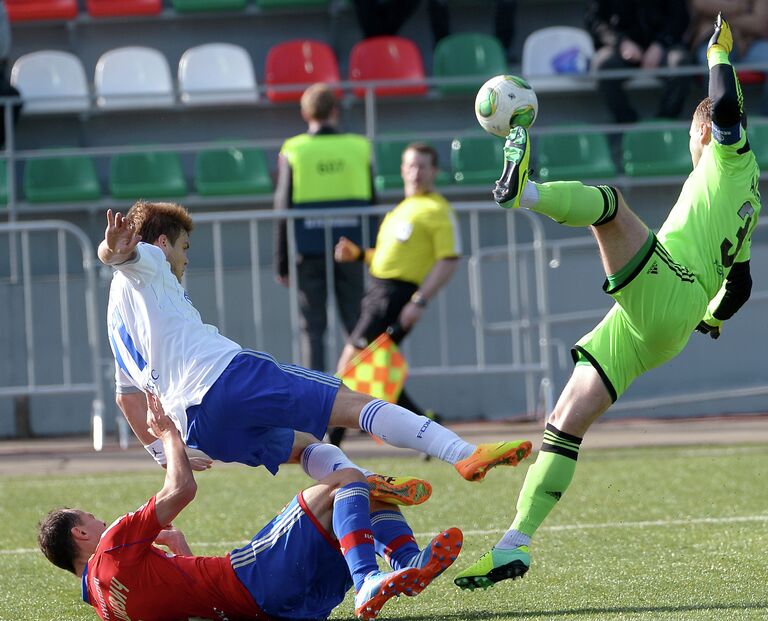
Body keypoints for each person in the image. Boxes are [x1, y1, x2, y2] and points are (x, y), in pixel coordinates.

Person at [454, 14, 760, 589]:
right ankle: (513, 543)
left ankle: (527, 191)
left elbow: (724, 109)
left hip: (671, 289)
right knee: (563, 423)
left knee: (611, 204)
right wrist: (711, 320)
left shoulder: (729, 158)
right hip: (661, 321)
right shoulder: (750, 204)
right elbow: (739, 285)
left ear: (697, 137)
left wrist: (719, 52)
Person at [99, 201, 532, 492]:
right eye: (184, 247)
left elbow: (127, 400)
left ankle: (365, 488)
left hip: (198, 428)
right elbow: (117, 255)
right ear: (161, 244)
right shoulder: (150, 261)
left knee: (307, 447)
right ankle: (464, 453)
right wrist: (112, 249)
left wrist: (162, 452)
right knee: (353, 401)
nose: (185, 259)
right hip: (226, 376)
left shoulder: (117, 318)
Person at [37, 394, 463, 620]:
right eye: (91, 517)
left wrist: (182, 554)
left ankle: (407, 564)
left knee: (352, 507)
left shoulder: (110, 610)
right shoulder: (111, 547)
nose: (101, 520)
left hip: (280, 608)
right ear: (81, 534)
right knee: (349, 481)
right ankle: (379, 572)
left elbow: (194, 608)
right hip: (252, 577)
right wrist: (168, 436)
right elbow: (182, 489)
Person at [332, 142, 459, 447]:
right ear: (402, 169)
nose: (415, 172)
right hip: (377, 291)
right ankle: (428, 425)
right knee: (375, 369)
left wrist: (419, 300)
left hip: (395, 296)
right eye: (410, 165)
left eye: (422, 166)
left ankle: (330, 438)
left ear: (434, 171)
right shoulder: (402, 208)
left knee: (351, 364)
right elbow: (391, 256)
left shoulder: (436, 209)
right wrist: (360, 254)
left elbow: (450, 259)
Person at [274, 83, 372, 373]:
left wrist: (281, 261)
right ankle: (364, 403)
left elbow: (282, 206)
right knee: (358, 326)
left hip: (309, 249)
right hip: (352, 249)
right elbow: (373, 202)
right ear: (334, 110)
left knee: (312, 329)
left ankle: (317, 403)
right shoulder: (360, 146)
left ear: (305, 113)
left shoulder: (294, 149)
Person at [585, 0, 692, 123]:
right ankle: (628, 126)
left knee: (681, 63)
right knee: (603, 66)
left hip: (663, 47)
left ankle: (664, 125)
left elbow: (680, 17)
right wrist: (620, 42)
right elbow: (594, 19)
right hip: (620, 49)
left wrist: (661, 44)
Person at [689, 0, 768, 115]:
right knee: (710, 59)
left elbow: (760, 23)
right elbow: (700, 4)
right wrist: (741, 7)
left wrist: (722, 19)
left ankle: (764, 124)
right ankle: (715, 121)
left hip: (750, 43)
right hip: (717, 38)